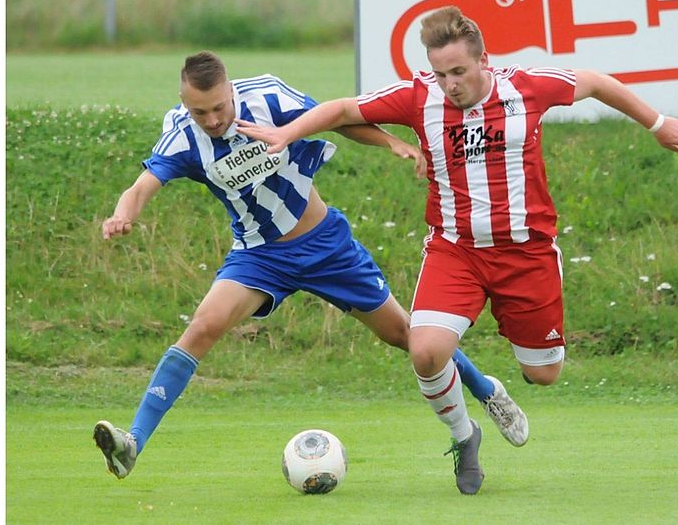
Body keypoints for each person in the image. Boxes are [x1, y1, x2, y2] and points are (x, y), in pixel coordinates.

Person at [235, 6, 678, 494]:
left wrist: (656, 124)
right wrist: (286, 133)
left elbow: (594, 82)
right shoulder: (419, 97)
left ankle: (505, 382)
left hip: (526, 253)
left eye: (459, 72)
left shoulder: (526, 88)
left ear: (485, 59)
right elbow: (342, 110)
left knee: (543, 374)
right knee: (425, 352)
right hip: (455, 251)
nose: (450, 85)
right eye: (441, 74)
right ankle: (465, 436)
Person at [93, 51, 529, 481]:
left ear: (231, 89)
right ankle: (133, 444)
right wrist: (123, 214)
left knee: (406, 335)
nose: (210, 120)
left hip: (326, 247)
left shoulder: (268, 96)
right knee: (201, 328)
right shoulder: (183, 135)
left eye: (218, 108)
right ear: (184, 102)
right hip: (258, 257)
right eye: (199, 111)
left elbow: (335, 117)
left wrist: (391, 141)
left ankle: (486, 391)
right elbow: (143, 184)